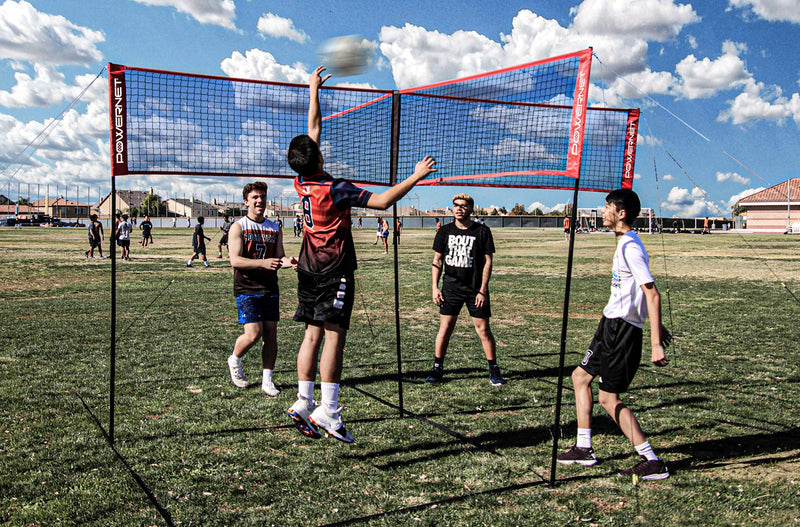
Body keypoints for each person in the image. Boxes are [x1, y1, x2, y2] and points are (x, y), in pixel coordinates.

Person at [285, 65, 437, 443]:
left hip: (306, 268)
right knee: (334, 337)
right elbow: (383, 201)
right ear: (318, 157)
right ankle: (329, 412)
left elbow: (313, 128)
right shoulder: (336, 189)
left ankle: (303, 402)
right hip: (332, 269)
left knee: (311, 335)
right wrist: (416, 176)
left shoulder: (301, 180)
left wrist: (313, 91)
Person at [556, 188, 672, 480]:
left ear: (621, 214)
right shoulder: (623, 243)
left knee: (608, 398)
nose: (603, 211)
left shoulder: (630, 246)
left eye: (607, 207)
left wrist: (655, 342)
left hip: (621, 331)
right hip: (609, 324)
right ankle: (584, 448)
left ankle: (651, 460)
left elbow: (652, 294)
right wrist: (655, 322)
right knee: (580, 377)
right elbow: (636, 294)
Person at [426, 193, 505, 387]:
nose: (459, 209)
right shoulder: (444, 231)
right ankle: (437, 368)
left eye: (463, 206)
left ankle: (493, 369)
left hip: (474, 290)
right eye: (456, 205)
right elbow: (437, 260)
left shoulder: (482, 231)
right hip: (450, 289)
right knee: (445, 329)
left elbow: (488, 262)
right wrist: (435, 288)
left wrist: (482, 290)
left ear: (471, 209)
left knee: (484, 330)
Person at [226, 181, 297, 395]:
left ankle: (268, 380)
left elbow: (279, 257)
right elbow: (235, 261)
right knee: (253, 334)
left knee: (271, 336)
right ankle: (235, 359)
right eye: (255, 197)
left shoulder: (274, 227)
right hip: (246, 288)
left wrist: (289, 261)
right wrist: (262, 263)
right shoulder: (238, 226)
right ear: (246, 201)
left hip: (269, 288)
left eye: (263, 197)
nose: (260, 201)